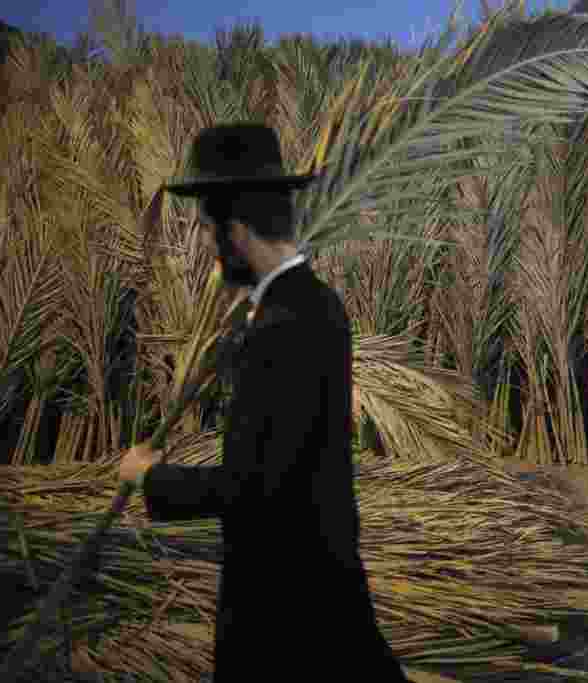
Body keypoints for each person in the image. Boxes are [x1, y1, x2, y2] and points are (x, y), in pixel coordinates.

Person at [118, 124, 411, 681]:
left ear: (237, 230)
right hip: (314, 575)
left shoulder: (284, 323)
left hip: (287, 593)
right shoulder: (310, 304)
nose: (206, 246)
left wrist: (151, 477)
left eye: (209, 231)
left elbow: (256, 485)